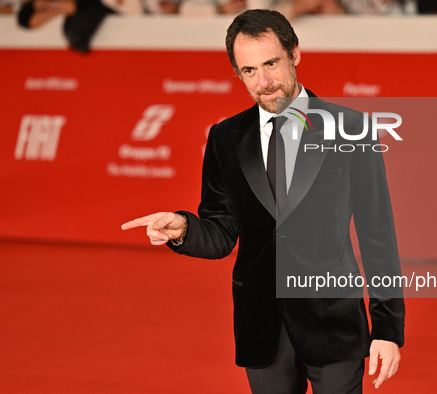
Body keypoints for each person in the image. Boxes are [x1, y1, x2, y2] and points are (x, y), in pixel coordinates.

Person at [122, 9, 404, 393]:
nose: (264, 81)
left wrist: (387, 329)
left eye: (270, 63)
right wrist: (184, 228)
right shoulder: (226, 137)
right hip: (261, 327)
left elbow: (378, 236)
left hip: (333, 322)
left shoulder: (351, 129)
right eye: (249, 71)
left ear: (295, 53)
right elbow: (221, 230)